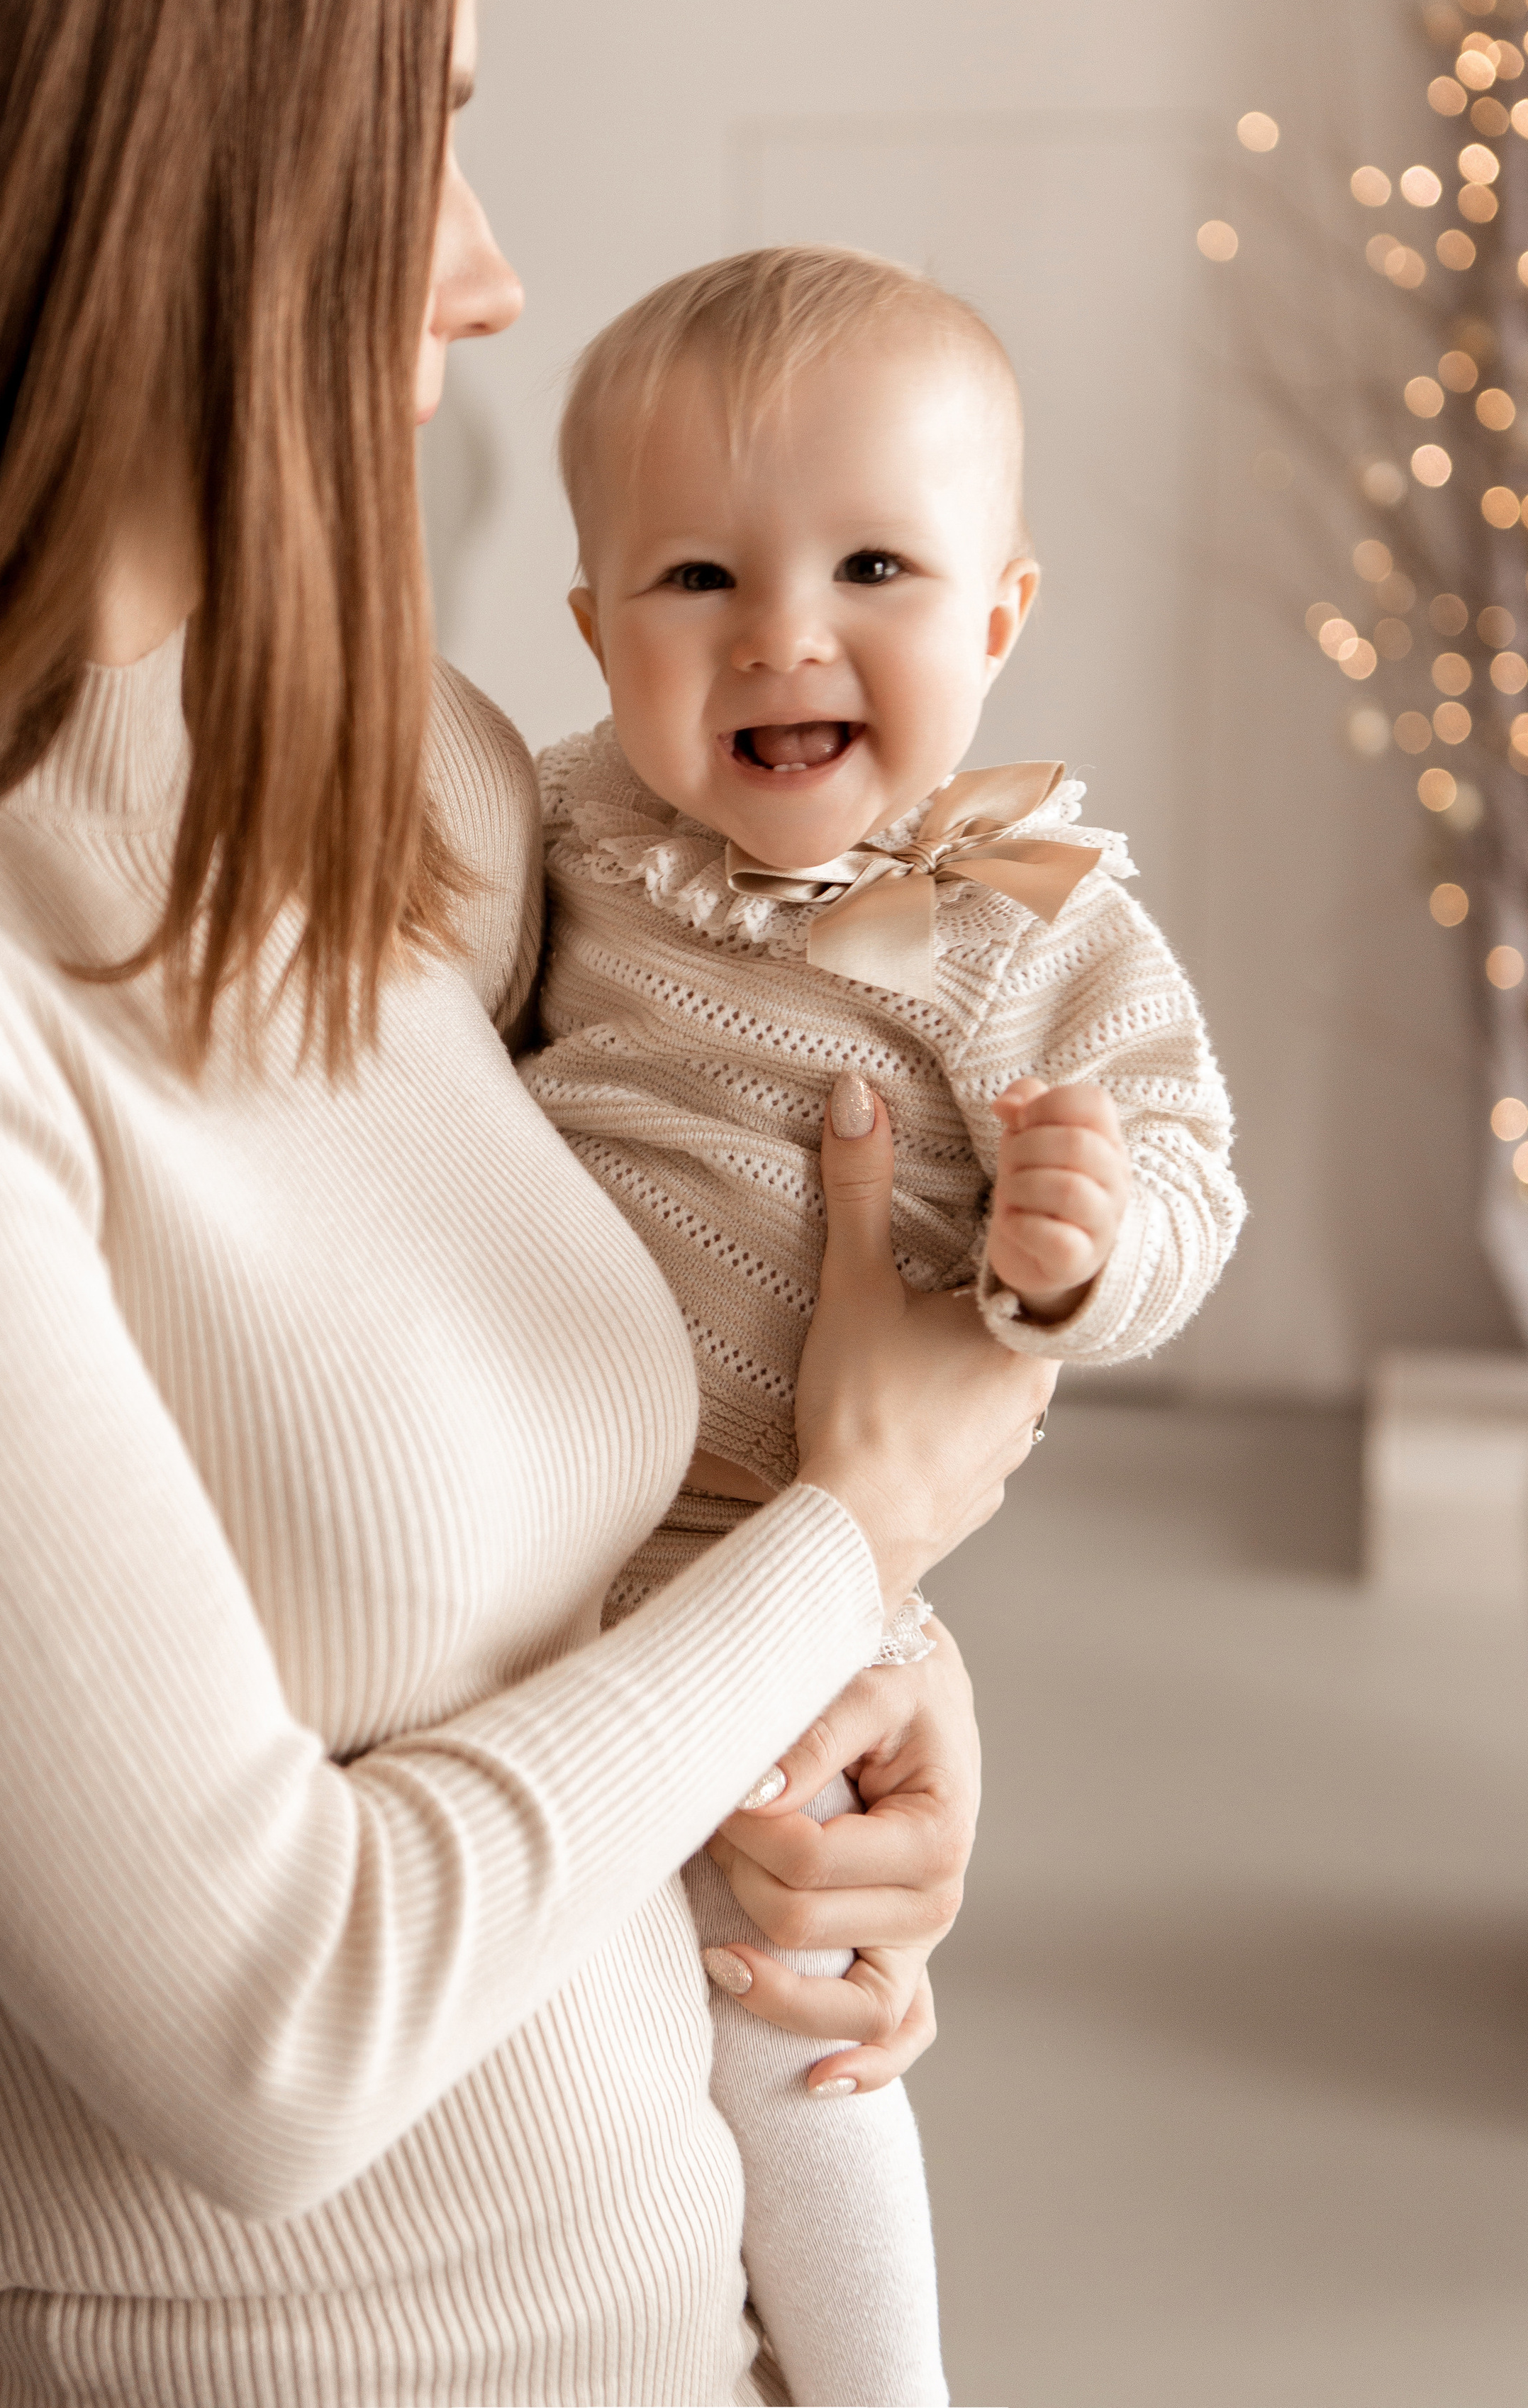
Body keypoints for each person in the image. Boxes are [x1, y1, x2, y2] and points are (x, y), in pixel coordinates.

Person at [0, 0, 1053, 2402]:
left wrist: (857, 1727)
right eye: (405, 136)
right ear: (130, 195)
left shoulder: (385, 774)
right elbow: (261, 2029)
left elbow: (544, 1580)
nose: (487, 263)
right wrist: (857, 1531)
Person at [523, 244, 1248, 2406]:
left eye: (872, 565)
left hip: (794, 1574)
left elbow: (1194, 1172)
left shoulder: (1032, 923)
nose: (781, 632)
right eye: (690, 577)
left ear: (999, 616)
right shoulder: (567, 836)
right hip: (541, 1563)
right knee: (596, 2036)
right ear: (590, 629)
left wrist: (1081, 1245)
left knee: (794, 2019)